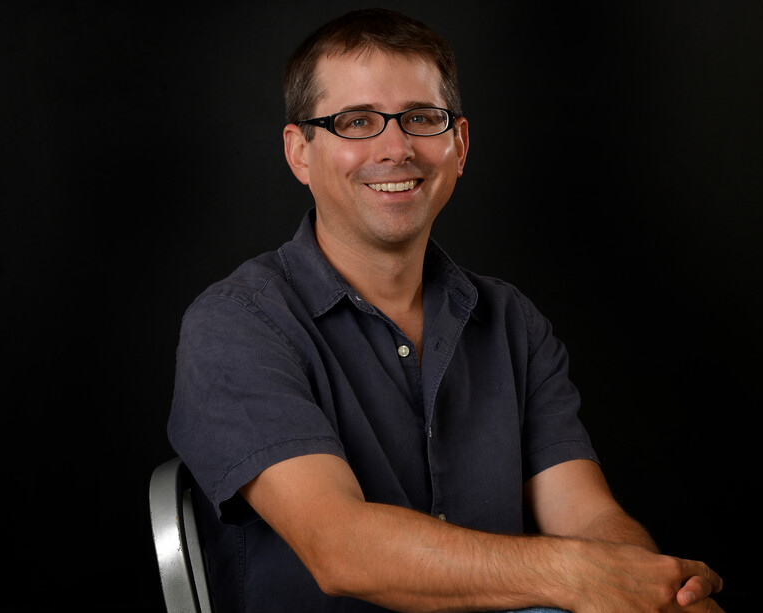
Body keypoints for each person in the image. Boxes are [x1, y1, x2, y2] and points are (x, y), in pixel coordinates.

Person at [168, 8, 724, 612]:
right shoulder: (237, 324)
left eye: (421, 118)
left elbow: (588, 517)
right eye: (356, 121)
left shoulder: (511, 322)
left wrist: (658, 589)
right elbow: (341, 548)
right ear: (300, 152)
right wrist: (574, 573)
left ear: (458, 145)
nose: (396, 148)